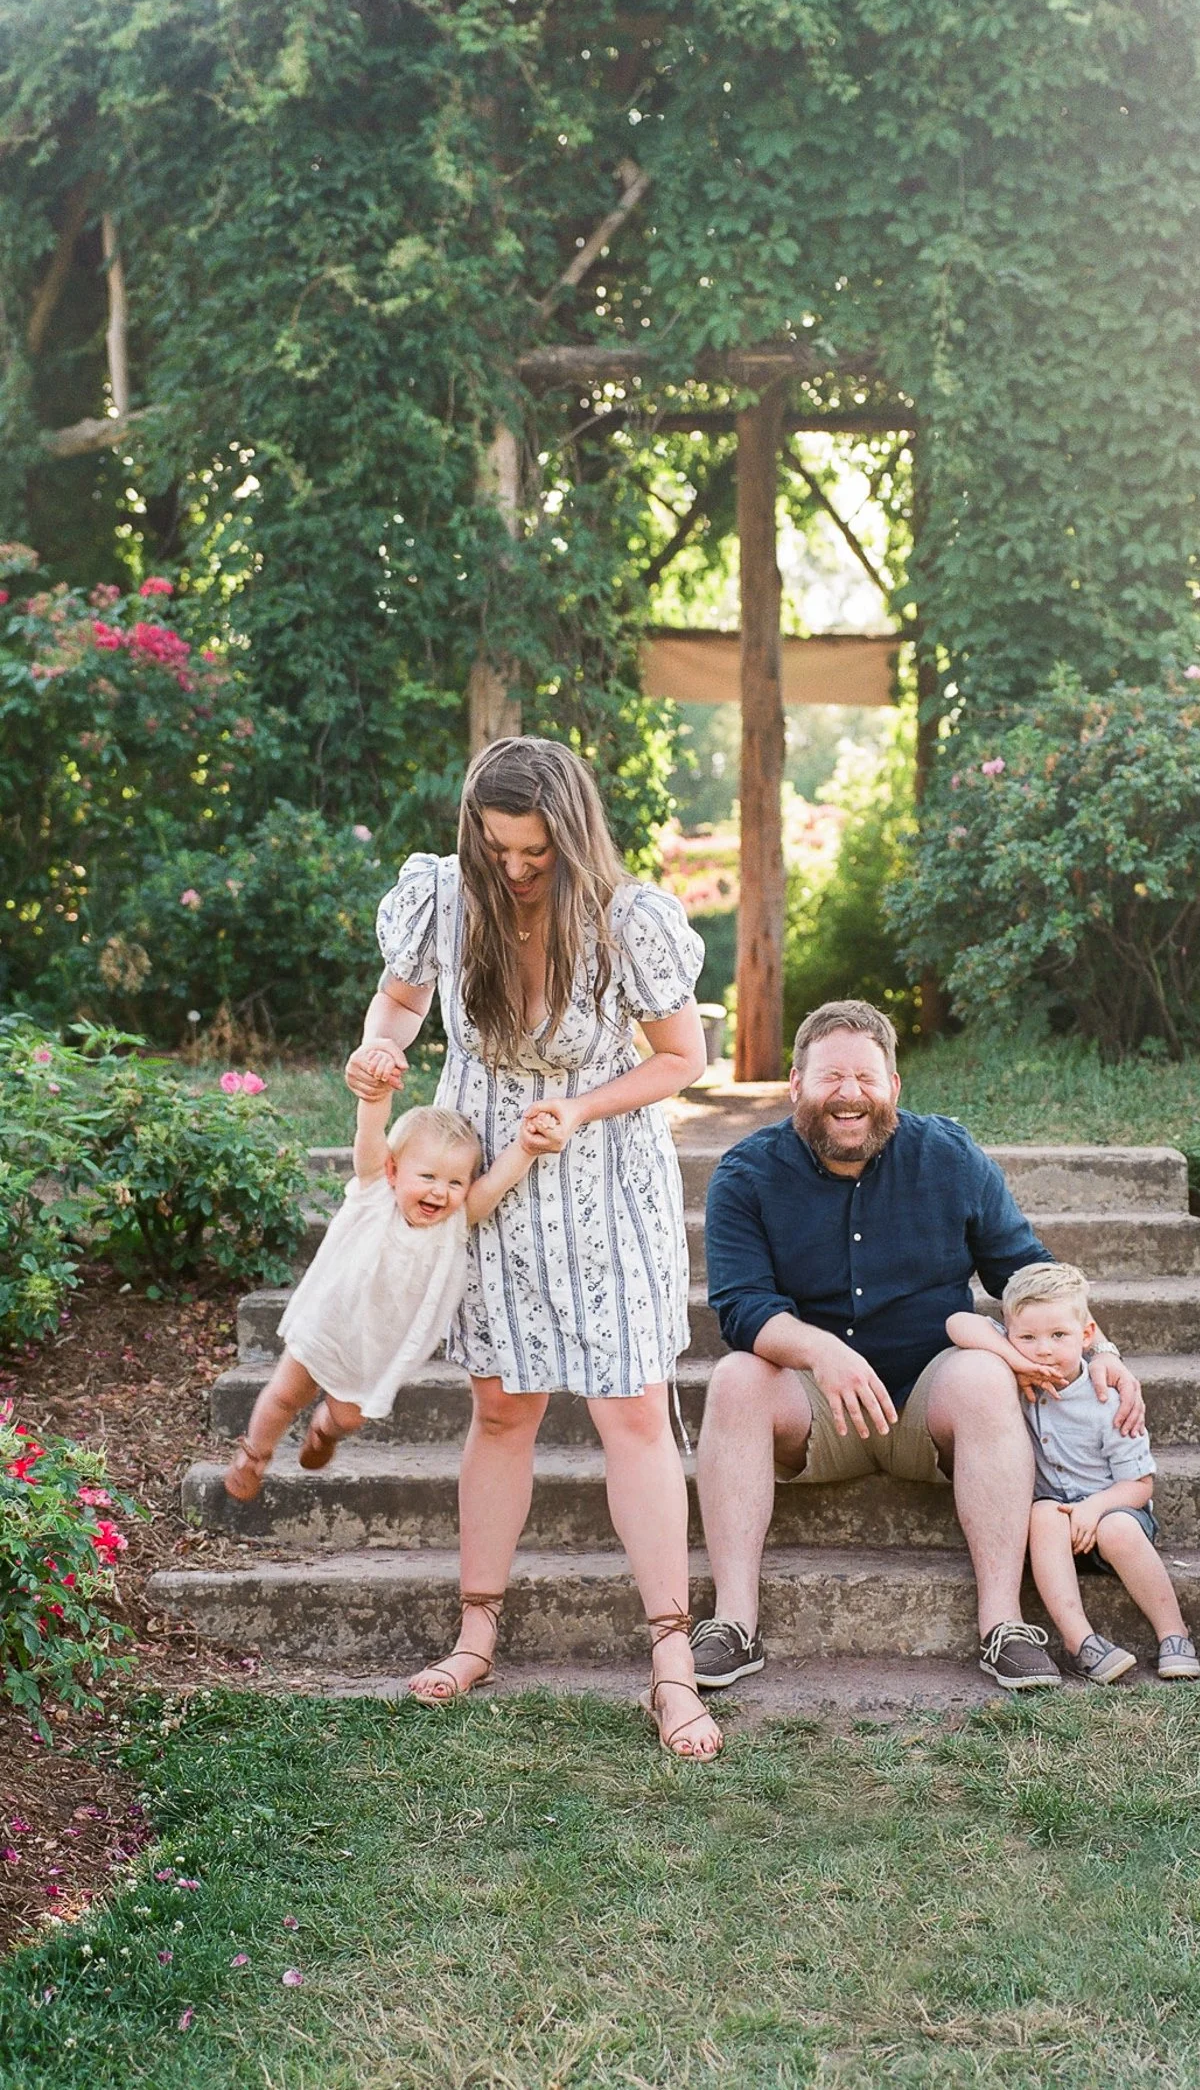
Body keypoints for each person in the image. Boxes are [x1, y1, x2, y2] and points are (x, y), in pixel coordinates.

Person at [347, 736, 720, 1757]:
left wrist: (584, 1107)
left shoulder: (626, 918)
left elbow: (684, 1057)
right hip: (481, 1175)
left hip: (602, 1176)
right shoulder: (439, 896)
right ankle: (475, 1637)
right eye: (496, 848)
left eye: (534, 854)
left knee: (632, 1407)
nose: (513, 869)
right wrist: (383, 1043)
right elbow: (402, 1000)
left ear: (573, 836)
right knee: (501, 1404)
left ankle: (671, 1663)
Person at [690, 999, 1147, 1693]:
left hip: (928, 1404)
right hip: (815, 1411)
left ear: (894, 1087)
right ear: (796, 1085)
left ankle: (1003, 1626)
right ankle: (734, 1625)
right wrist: (821, 1352)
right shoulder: (747, 1174)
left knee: (986, 1375)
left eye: (867, 1078)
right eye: (830, 1077)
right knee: (734, 1378)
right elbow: (741, 1307)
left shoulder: (948, 1156)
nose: (850, 1095)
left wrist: (1100, 1347)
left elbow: (1021, 1268)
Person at [221, 1090, 542, 1503]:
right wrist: (377, 1091)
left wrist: (527, 1146)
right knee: (284, 1396)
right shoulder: (374, 1192)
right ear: (393, 1170)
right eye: (427, 1177)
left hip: (373, 1350)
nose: (440, 1192)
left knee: (348, 1418)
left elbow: (498, 1182)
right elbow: (369, 1132)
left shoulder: (455, 1224)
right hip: (326, 1323)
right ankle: (254, 1456)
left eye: (455, 1182)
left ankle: (323, 1430)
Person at [948, 1262, 1200, 1683]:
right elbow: (957, 1322)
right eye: (1027, 1337)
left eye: (1058, 1336)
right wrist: (1012, 1357)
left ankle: (1174, 1634)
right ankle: (1081, 1643)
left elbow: (1139, 1486)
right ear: (1009, 1335)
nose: (1043, 1349)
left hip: (1114, 1515)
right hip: (1052, 1535)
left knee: (1116, 1528)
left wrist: (1092, 1509)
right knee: (1045, 1513)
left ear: (1087, 1335)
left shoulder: (1107, 1398)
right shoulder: (1013, 1380)